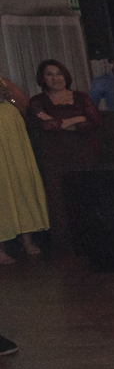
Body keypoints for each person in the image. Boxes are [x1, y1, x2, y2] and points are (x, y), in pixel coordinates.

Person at [26, 60, 101, 251]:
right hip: (55, 156)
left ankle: (94, 239)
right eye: (49, 74)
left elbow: (93, 121)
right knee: (59, 197)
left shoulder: (81, 96)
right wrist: (77, 118)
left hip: (84, 153)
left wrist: (60, 122)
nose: (55, 78)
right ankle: (66, 244)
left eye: (58, 73)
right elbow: (44, 125)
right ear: (42, 78)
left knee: (88, 193)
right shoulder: (37, 101)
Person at [0, 76, 47, 264]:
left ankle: (27, 240)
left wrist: (9, 95)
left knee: (21, 186)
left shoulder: (3, 81)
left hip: (14, 141)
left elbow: (26, 108)